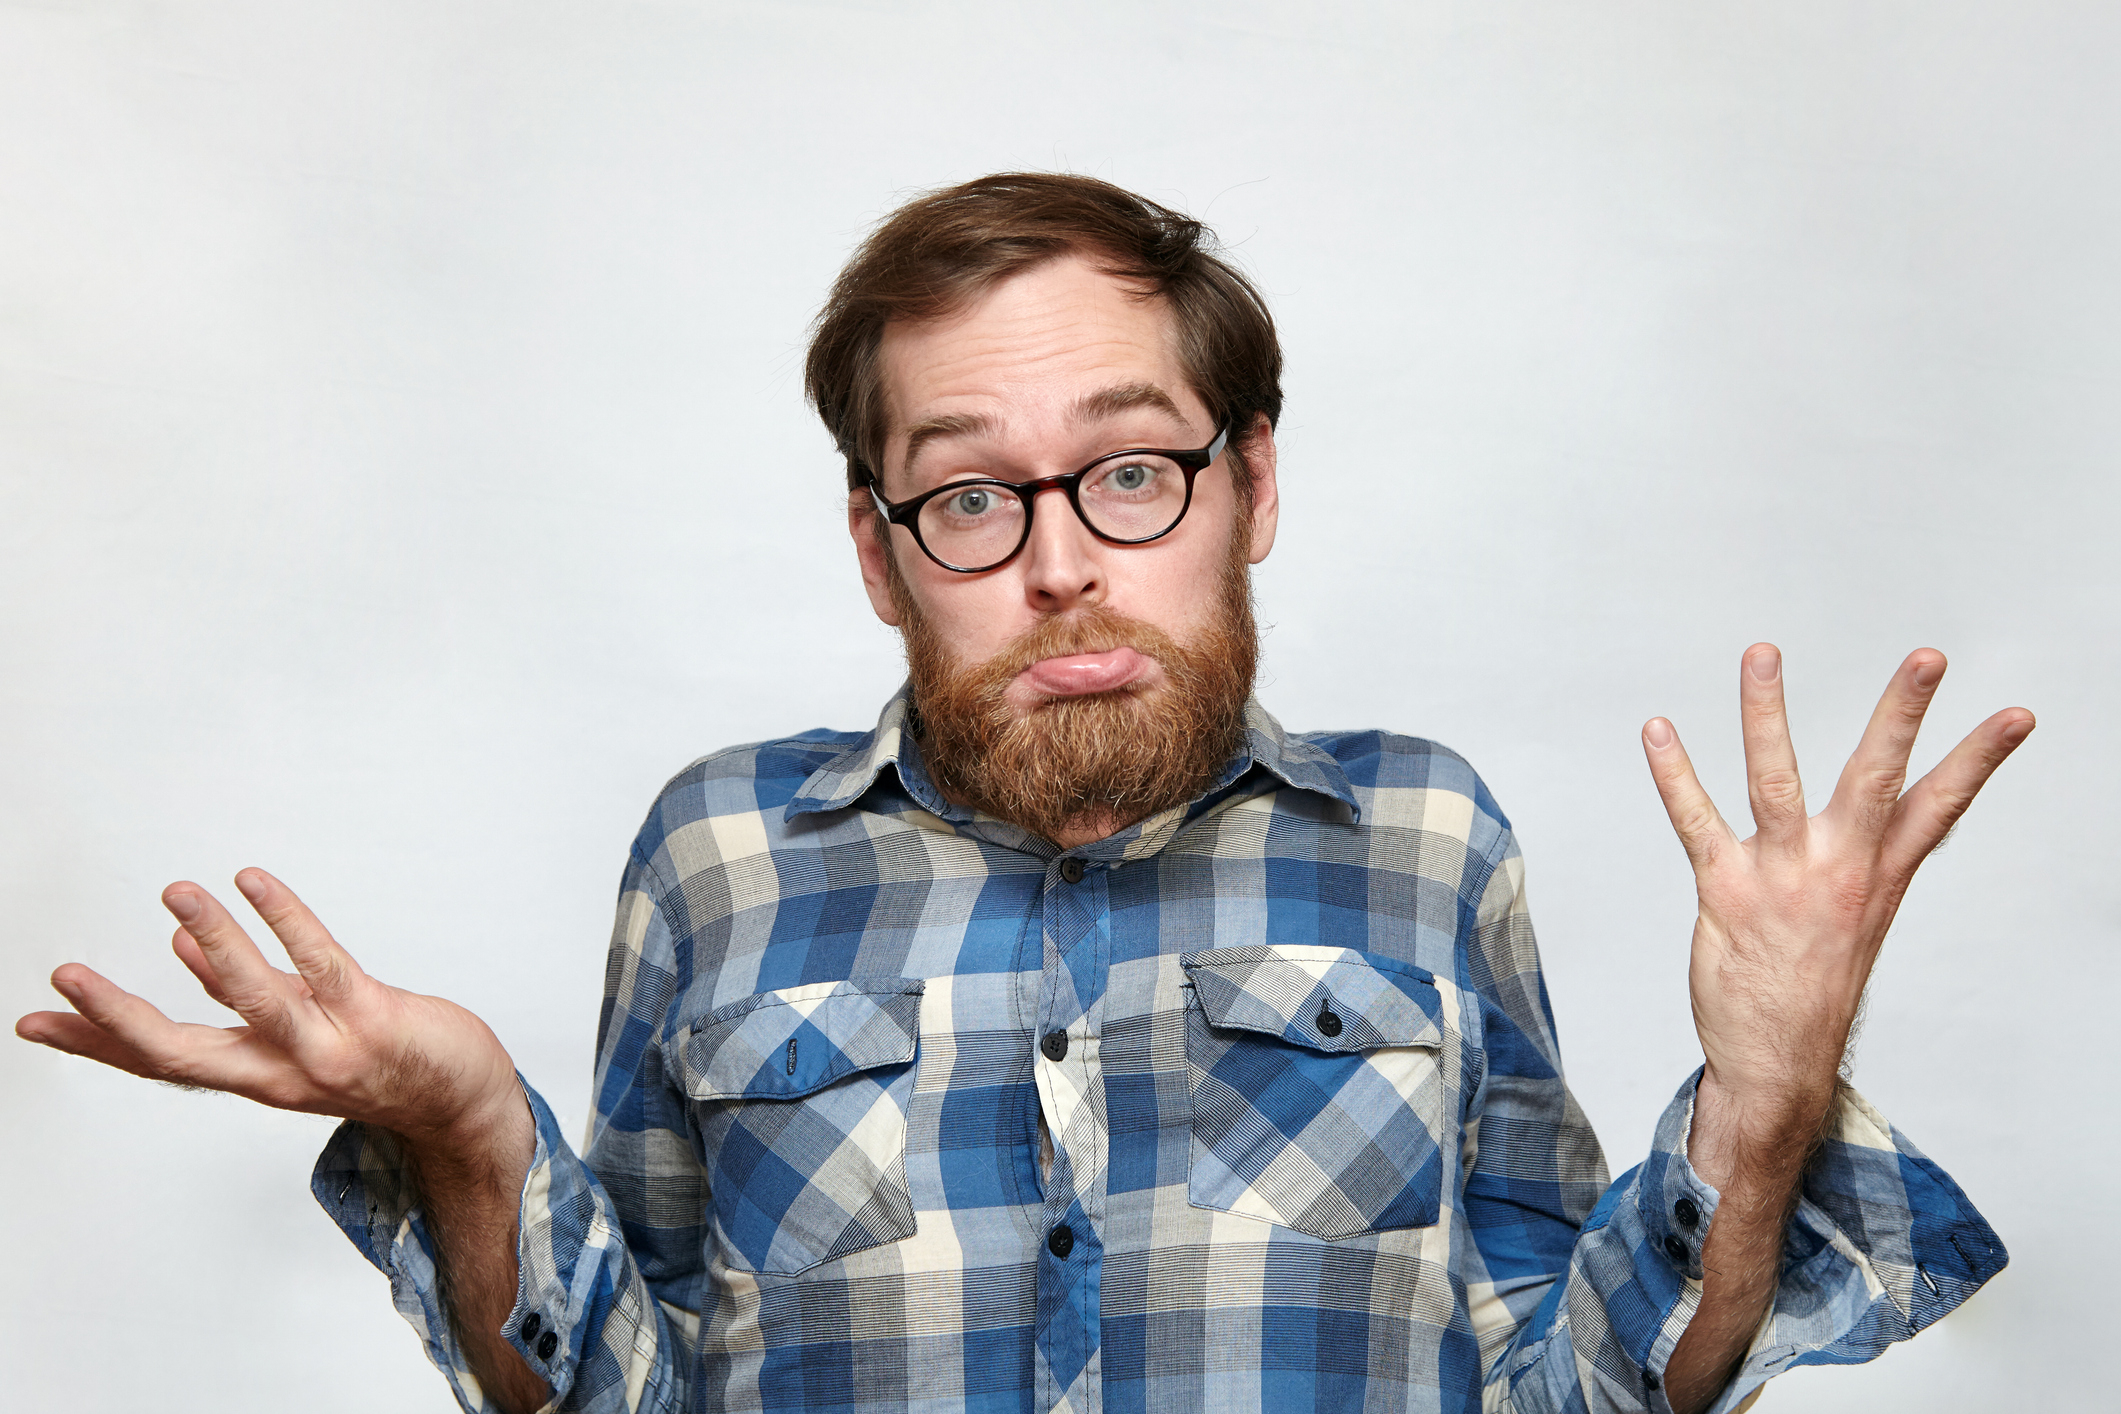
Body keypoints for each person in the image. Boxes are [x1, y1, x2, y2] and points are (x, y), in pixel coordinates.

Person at [15, 173, 2034, 1414]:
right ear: (879, 544)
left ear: (1248, 484)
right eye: (970, 491)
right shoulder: (717, 854)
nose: (1059, 559)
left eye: (1128, 467)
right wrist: (465, 1133)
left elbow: (1573, 1391)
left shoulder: (1425, 843)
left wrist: (1760, 1106)